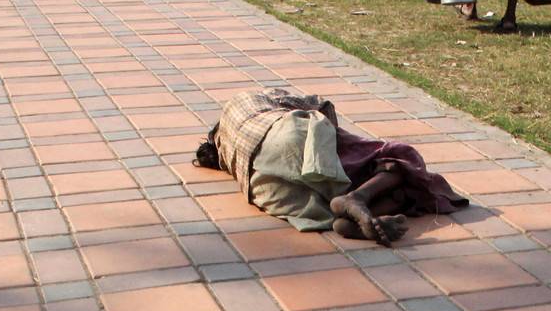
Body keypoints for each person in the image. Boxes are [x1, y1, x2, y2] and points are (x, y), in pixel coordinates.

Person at [195, 88, 468, 245]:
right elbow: (321, 107)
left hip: (264, 185)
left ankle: (358, 215)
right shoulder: (248, 99)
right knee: (396, 157)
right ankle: (358, 198)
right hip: (287, 134)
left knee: (322, 196)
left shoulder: (230, 157)